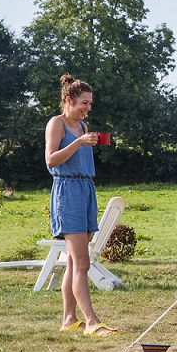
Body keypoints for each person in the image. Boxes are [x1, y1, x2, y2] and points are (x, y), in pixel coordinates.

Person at [45, 74, 121, 337]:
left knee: (74, 263)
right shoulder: (57, 124)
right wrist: (78, 143)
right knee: (82, 264)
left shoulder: (83, 126)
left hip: (85, 191)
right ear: (69, 100)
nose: (88, 108)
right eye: (84, 103)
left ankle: (68, 319)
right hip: (67, 194)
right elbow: (51, 160)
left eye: (89, 103)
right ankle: (91, 322)